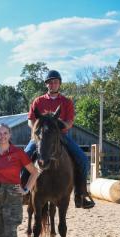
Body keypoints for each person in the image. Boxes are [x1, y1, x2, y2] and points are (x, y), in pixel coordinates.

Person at [24, 70, 95, 209]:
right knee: (25, 155)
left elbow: (69, 122)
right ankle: (23, 191)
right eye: (50, 82)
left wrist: (60, 126)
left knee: (82, 159)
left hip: (61, 135)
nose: (53, 84)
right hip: (40, 137)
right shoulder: (38, 101)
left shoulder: (66, 102)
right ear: (46, 85)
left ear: (59, 84)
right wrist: (36, 132)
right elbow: (30, 121)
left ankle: (80, 194)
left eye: (55, 82)